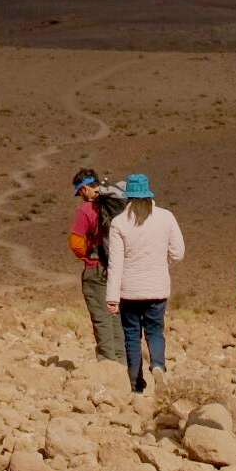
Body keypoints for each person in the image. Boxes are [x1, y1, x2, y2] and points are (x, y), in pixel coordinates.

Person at [106, 173, 185, 392]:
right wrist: (161, 265)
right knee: (155, 332)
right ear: (148, 193)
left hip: (129, 291)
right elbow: (178, 253)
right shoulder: (166, 217)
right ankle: (158, 365)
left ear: (128, 196)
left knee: (132, 337)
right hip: (157, 288)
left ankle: (136, 386)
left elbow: (115, 263)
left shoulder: (119, 222)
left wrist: (112, 298)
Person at [67, 168, 126, 364]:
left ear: (84, 189)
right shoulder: (114, 205)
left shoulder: (86, 210)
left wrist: (89, 255)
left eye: (80, 193)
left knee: (101, 316)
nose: (81, 197)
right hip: (116, 268)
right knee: (116, 315)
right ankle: (122, 361)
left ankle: (108, 363)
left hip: (96, 270)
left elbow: (76, 243)